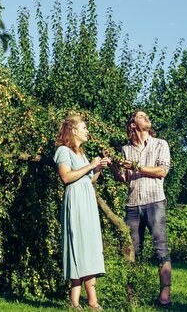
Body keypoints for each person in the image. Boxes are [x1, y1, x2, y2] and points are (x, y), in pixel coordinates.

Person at [110, 110, 173, 308]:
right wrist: (113, 165)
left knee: (160, 249)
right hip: (133, 206)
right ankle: (131, 295)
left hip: (155, 202)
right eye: (140, 116)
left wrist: (136, 166)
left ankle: (164, 297)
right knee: (131, 251)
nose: (146, 117)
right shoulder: (126, 150)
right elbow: (123, 178)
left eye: (146, 116)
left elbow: (162, 171)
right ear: (132, 125)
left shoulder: (160, 144)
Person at [53, 113, 111, 310]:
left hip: (87, 201)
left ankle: (91, 300)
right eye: (84, 128)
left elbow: (87, 179)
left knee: (90, 245)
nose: (87, 131)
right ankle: (76, 301)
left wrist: (98, 169)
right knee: (78, 244)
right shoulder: (63, 151)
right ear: (74, 130)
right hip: (75, 202)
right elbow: (67, 177)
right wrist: (90, 165)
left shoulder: (81, 152)